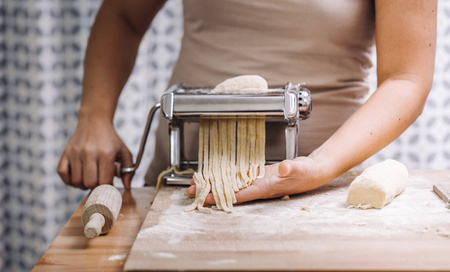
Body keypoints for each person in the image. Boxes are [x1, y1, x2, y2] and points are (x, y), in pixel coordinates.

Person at [58, 0, 437, 205]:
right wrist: (94, 116)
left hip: (324, 195)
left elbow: (406, 78)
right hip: (183, 186)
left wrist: (319, 166)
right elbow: (122, 15)